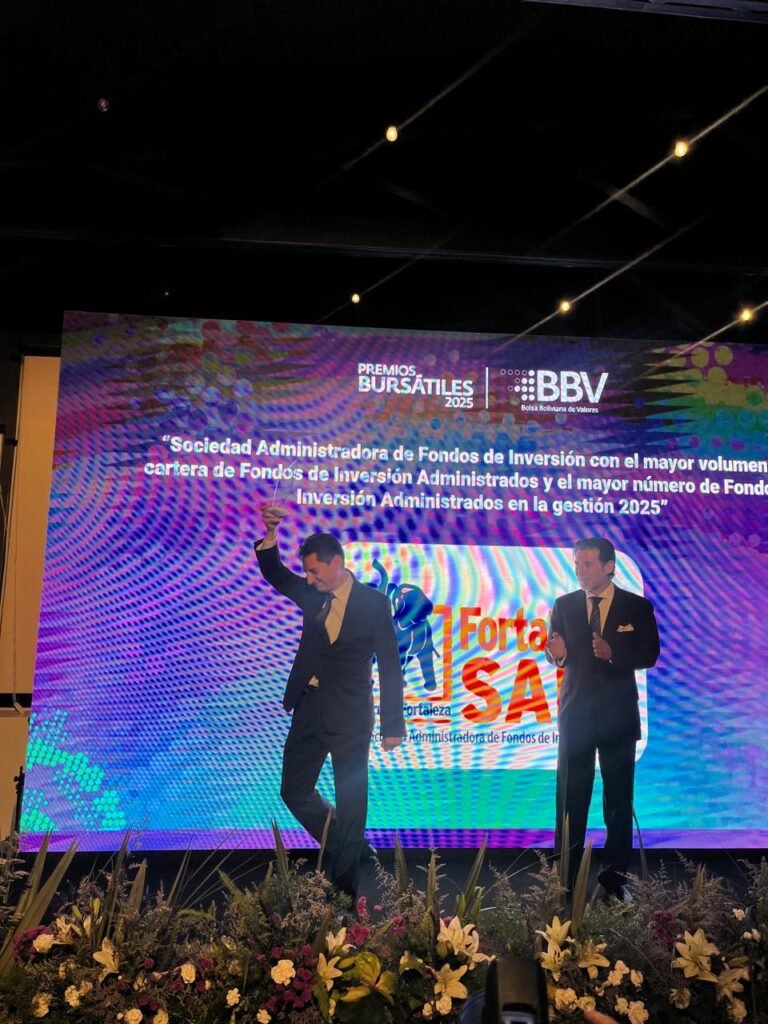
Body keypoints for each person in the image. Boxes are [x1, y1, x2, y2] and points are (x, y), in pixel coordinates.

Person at [254, 505, 405, 898]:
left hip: (352, 716)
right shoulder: (311, 594)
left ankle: (343, 893)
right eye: (306, 572)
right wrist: (270, 534)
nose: (309, 578)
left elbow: (390, 664)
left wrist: (393, 725)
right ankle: (347, 843)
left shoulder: (374, 603)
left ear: (336, 562)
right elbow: (276, 574)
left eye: (314, 571)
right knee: (294, 791)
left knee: (352, 802)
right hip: (309, 708)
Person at [546, 538, 660, 898]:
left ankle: (614, 880)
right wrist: (557, 656)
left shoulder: (636, 606)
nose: (580, 571)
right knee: (570, 799)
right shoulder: (564, 605)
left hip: (618, 716)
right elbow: (558, 654)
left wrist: (614, 653)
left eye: (588, 564)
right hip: (576, 715)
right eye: (577, 564)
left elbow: (650, 654)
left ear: (609, 566)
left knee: (618, 802)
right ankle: (564, 881)